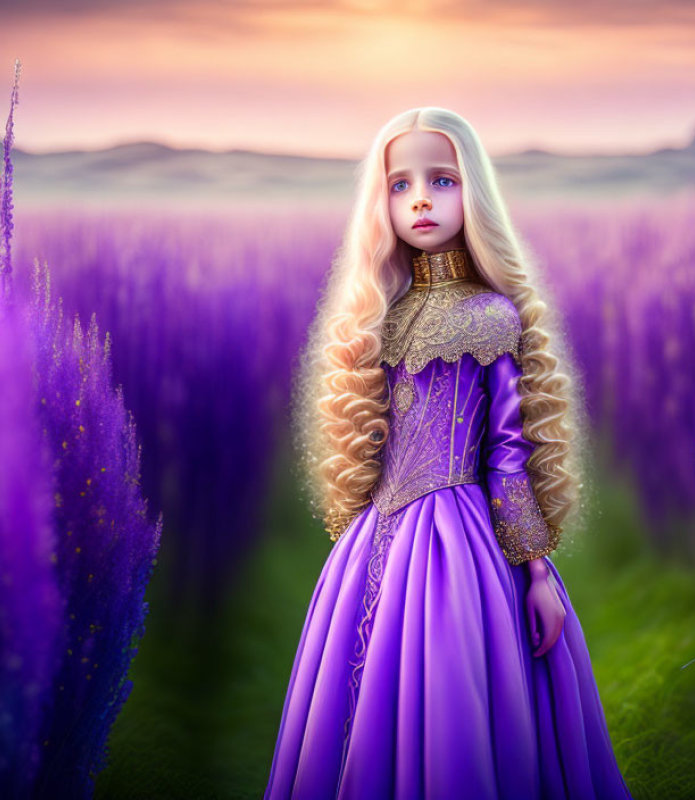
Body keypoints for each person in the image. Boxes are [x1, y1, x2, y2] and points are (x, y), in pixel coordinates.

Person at [265, 107, 632, 799]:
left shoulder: (493, 315)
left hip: (460, 542)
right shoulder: (379, 314)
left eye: (442, 179)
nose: (422, 199)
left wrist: (537, 571)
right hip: (376, 535)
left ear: (475, 192)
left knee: (453, 686)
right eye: (400, 185)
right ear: (383, 203)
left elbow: (508, 452)